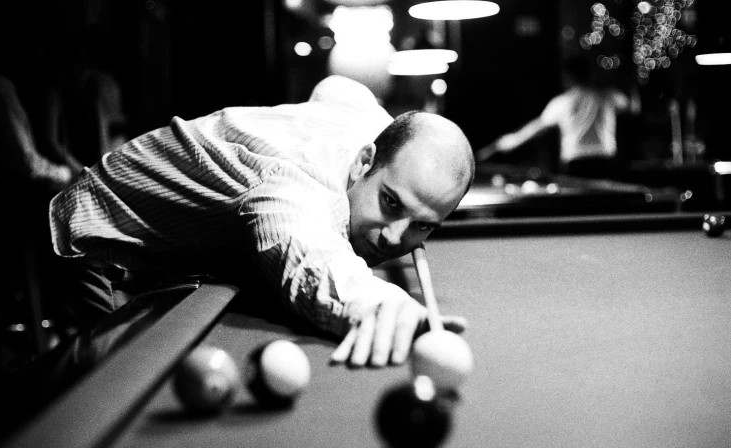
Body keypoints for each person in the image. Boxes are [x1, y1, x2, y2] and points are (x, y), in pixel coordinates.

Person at [49, 75, 475, 369]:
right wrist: (371, 303)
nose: (395, 237)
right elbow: (304, 256)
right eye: (390, 203)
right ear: (365, 161)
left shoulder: (377, 130)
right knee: (102, 375)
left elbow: (338, 88)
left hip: (160, 231)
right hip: (99, 233)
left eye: (423, 226)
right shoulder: (294, 187)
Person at [477, 56, 640, 179]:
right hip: (605, 160)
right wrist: (633, 86)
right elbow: (634, 108)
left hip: (576, 163)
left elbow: (537, 127)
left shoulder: (562, 102)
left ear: (568, 76)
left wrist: (511, 140)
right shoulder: (608, 96)